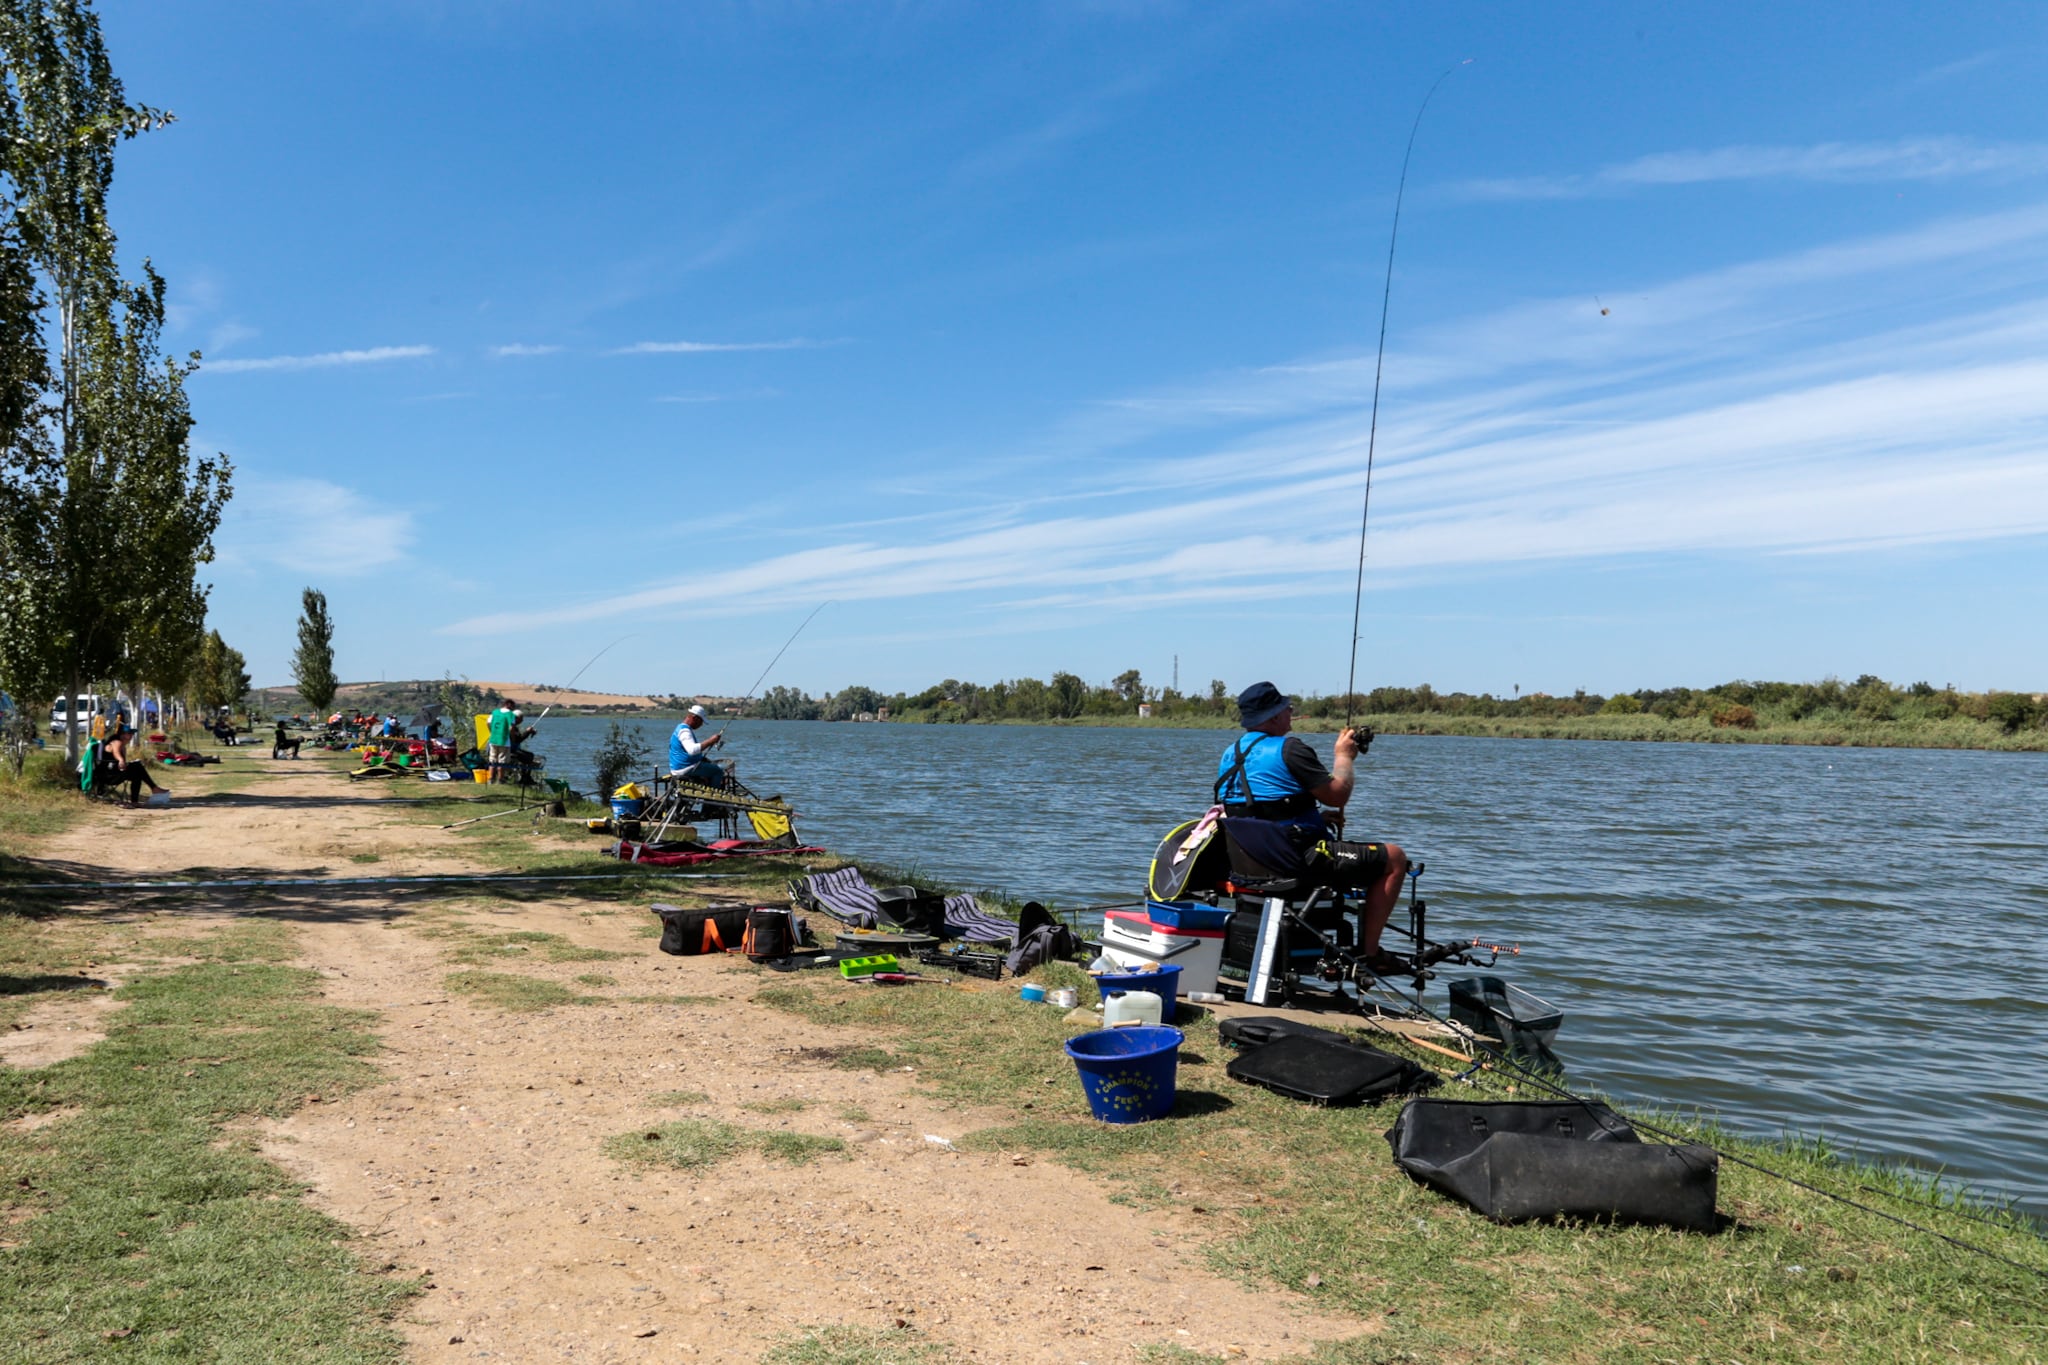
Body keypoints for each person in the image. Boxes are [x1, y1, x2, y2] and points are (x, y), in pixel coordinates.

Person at [1215, 681, 1408, 973]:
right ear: (1274, 716)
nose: (1291, 712)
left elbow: (1258, 808)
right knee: (1394, 858)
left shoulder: (1231, 752)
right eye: (1285, 708)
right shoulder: (1290, 749)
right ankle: (1370, 954)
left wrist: (1316, 817)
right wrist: (1344, 756)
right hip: (1293, 861)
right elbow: (1338, 794)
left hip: (1248, 863)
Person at [667, 704, 726, 787]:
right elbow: (692, 750)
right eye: (701, 721)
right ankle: (714, 795)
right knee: (718, 771)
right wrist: (710, 741)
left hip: (683, 766)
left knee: (711, 766)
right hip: (684, 768)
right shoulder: (685, 732)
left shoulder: (681, 728)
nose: (701, 725)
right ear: (694, 718)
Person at [104, 725, 167, 805]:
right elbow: (116, 752)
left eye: (132, 733)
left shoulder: (122, 746)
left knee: (137, 774)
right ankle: (154, 788)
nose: (131, 735)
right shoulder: (116, 742)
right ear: (122, 734)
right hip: (109, 775)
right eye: (129, 733)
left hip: (115, 773)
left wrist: (124, 763)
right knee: (137, 766)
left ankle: (135, 801)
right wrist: (121, 760)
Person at [486, 702, 516, 784]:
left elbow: (488, 723)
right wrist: (512, 738)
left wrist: (492, 731)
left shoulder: (495, 712)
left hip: (493, 739)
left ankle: (490, 779)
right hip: (504, 740)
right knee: (502, 760)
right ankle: (500, 779)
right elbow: (511, 727)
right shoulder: (510, 714)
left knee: (492, 759)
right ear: (510, 706)